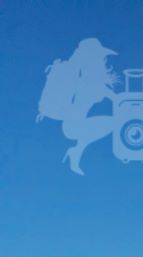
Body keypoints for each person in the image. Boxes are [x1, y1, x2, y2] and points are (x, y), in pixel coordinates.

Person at [38, 39, 120, 175]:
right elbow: (117, 100)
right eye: (100, 57)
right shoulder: (92, 83)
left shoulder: (83, 79)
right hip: (74, 127)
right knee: (116, 122)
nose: (103, 60)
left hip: (71, 126)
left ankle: (75, 152)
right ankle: (76, 151)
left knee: (108, 124)